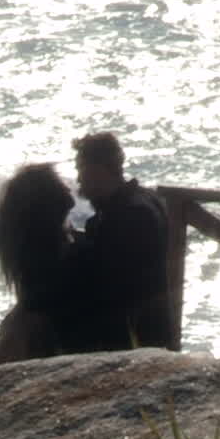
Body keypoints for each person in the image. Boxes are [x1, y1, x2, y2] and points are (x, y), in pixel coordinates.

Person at [0, 163, 87, 371]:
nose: (69, 187)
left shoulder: (35, 242)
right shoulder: (44, 248)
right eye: (60, 183)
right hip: (50, 332)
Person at [69, 132, 173, 351]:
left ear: (98, 170)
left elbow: (107, 281)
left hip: (133, 337)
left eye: (80, 170)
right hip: (151, 326)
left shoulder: (129, 215)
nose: (78, 179)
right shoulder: (145, 199)